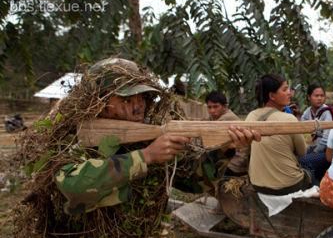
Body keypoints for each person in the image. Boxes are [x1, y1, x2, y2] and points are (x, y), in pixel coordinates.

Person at [55, 58, 258, 214]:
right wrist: (145, 157)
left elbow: (193, 182)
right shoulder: (74, 136)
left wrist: (225, 148)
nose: (138, 106)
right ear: (98, 101)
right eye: (126, 99)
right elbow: (71, 186)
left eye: (142, 97)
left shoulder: (149, 135)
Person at [246, 74, 311, 195]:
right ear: (271, 96)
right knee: (312, 169)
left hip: (257, 184)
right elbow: (302, 152)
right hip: (287, 185)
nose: (289, 93)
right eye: (285, 89)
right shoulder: (289, 119)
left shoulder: (251, 116)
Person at [205, 91, 249, 176]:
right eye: (209, 107)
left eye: (215, 107)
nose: (212, 110)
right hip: (230, 158)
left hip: (236, 163)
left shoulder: (226, 119)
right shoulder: (215, 117)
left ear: (225, 106)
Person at [298, 84, 333, 184]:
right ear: (309, 97)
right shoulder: (307, 112)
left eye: (322, 96)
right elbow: (302, 131)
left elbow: (326, 138)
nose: (319, 98)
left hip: (325, 151)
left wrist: (314, 151)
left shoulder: (326, 113)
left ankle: (315, 185)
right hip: (312, 147)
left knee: (304, 160)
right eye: (316, 96)